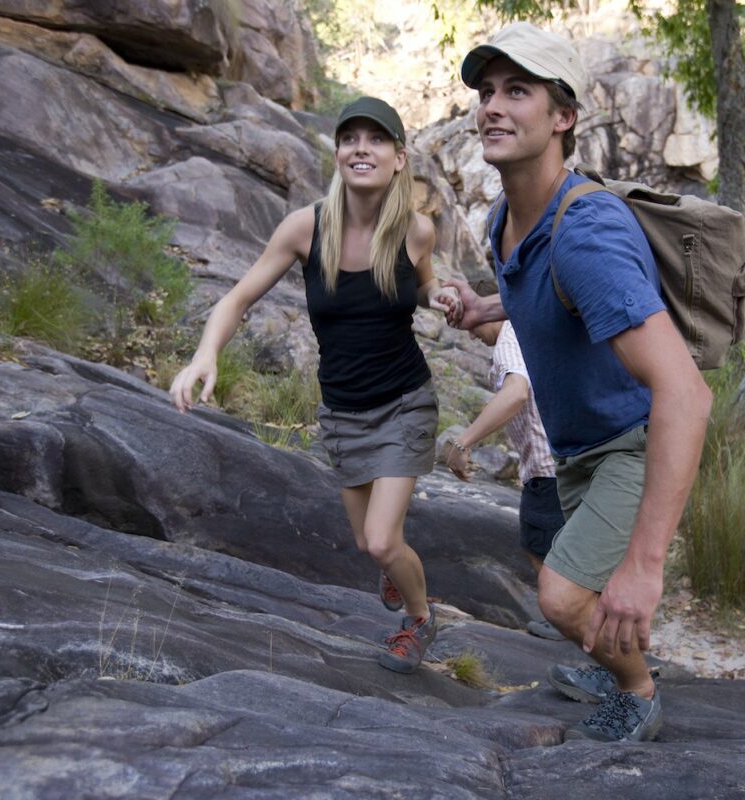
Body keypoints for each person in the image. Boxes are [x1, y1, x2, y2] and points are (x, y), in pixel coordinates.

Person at [447, 22, 712, 741]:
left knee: (564, 598)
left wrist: (646, 568)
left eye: (519, 91)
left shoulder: (585, 232)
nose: (494, 107)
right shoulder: (510, 217)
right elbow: (543, 288)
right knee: (577, 591)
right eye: (488, 92)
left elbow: (688, 394)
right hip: (576, 450)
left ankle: (638, 692)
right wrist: (485, 308)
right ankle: (614, 661)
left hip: (631, 443)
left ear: (563, 117)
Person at [169, 96, 461, 674]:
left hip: (405, 401)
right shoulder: (306, 227)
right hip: (344, 412)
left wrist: (440, 295)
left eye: (376, 139)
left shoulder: (415, 230)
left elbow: (423, 285)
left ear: (399, 158)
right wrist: (206, 354)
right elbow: (238, 297)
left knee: (381, 540)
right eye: (350, 138)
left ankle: (422, 620)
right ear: (338, 153)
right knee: (367, 544)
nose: (361, 148)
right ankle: (396, 572)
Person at [445, 319, 565, 640]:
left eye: (472, 324)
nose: (471, 334)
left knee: (540, 545)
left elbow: (516, 394)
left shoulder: (509, 338)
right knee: (550, 542)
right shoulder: (529, 329)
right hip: (560, 457)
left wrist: (463, 442)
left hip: (545, 464)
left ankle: (565, 618)